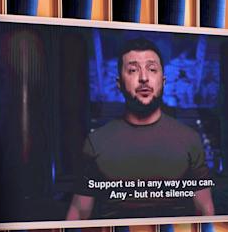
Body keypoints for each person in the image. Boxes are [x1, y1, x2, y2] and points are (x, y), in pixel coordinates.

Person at [66, 38, 214, 219]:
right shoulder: (96, 142)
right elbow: (79, 212)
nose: (144, 78)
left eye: (152, 69)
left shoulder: (189, 139)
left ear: (163, 80)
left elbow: (205, 209)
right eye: (133, 70)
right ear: (119, 83)